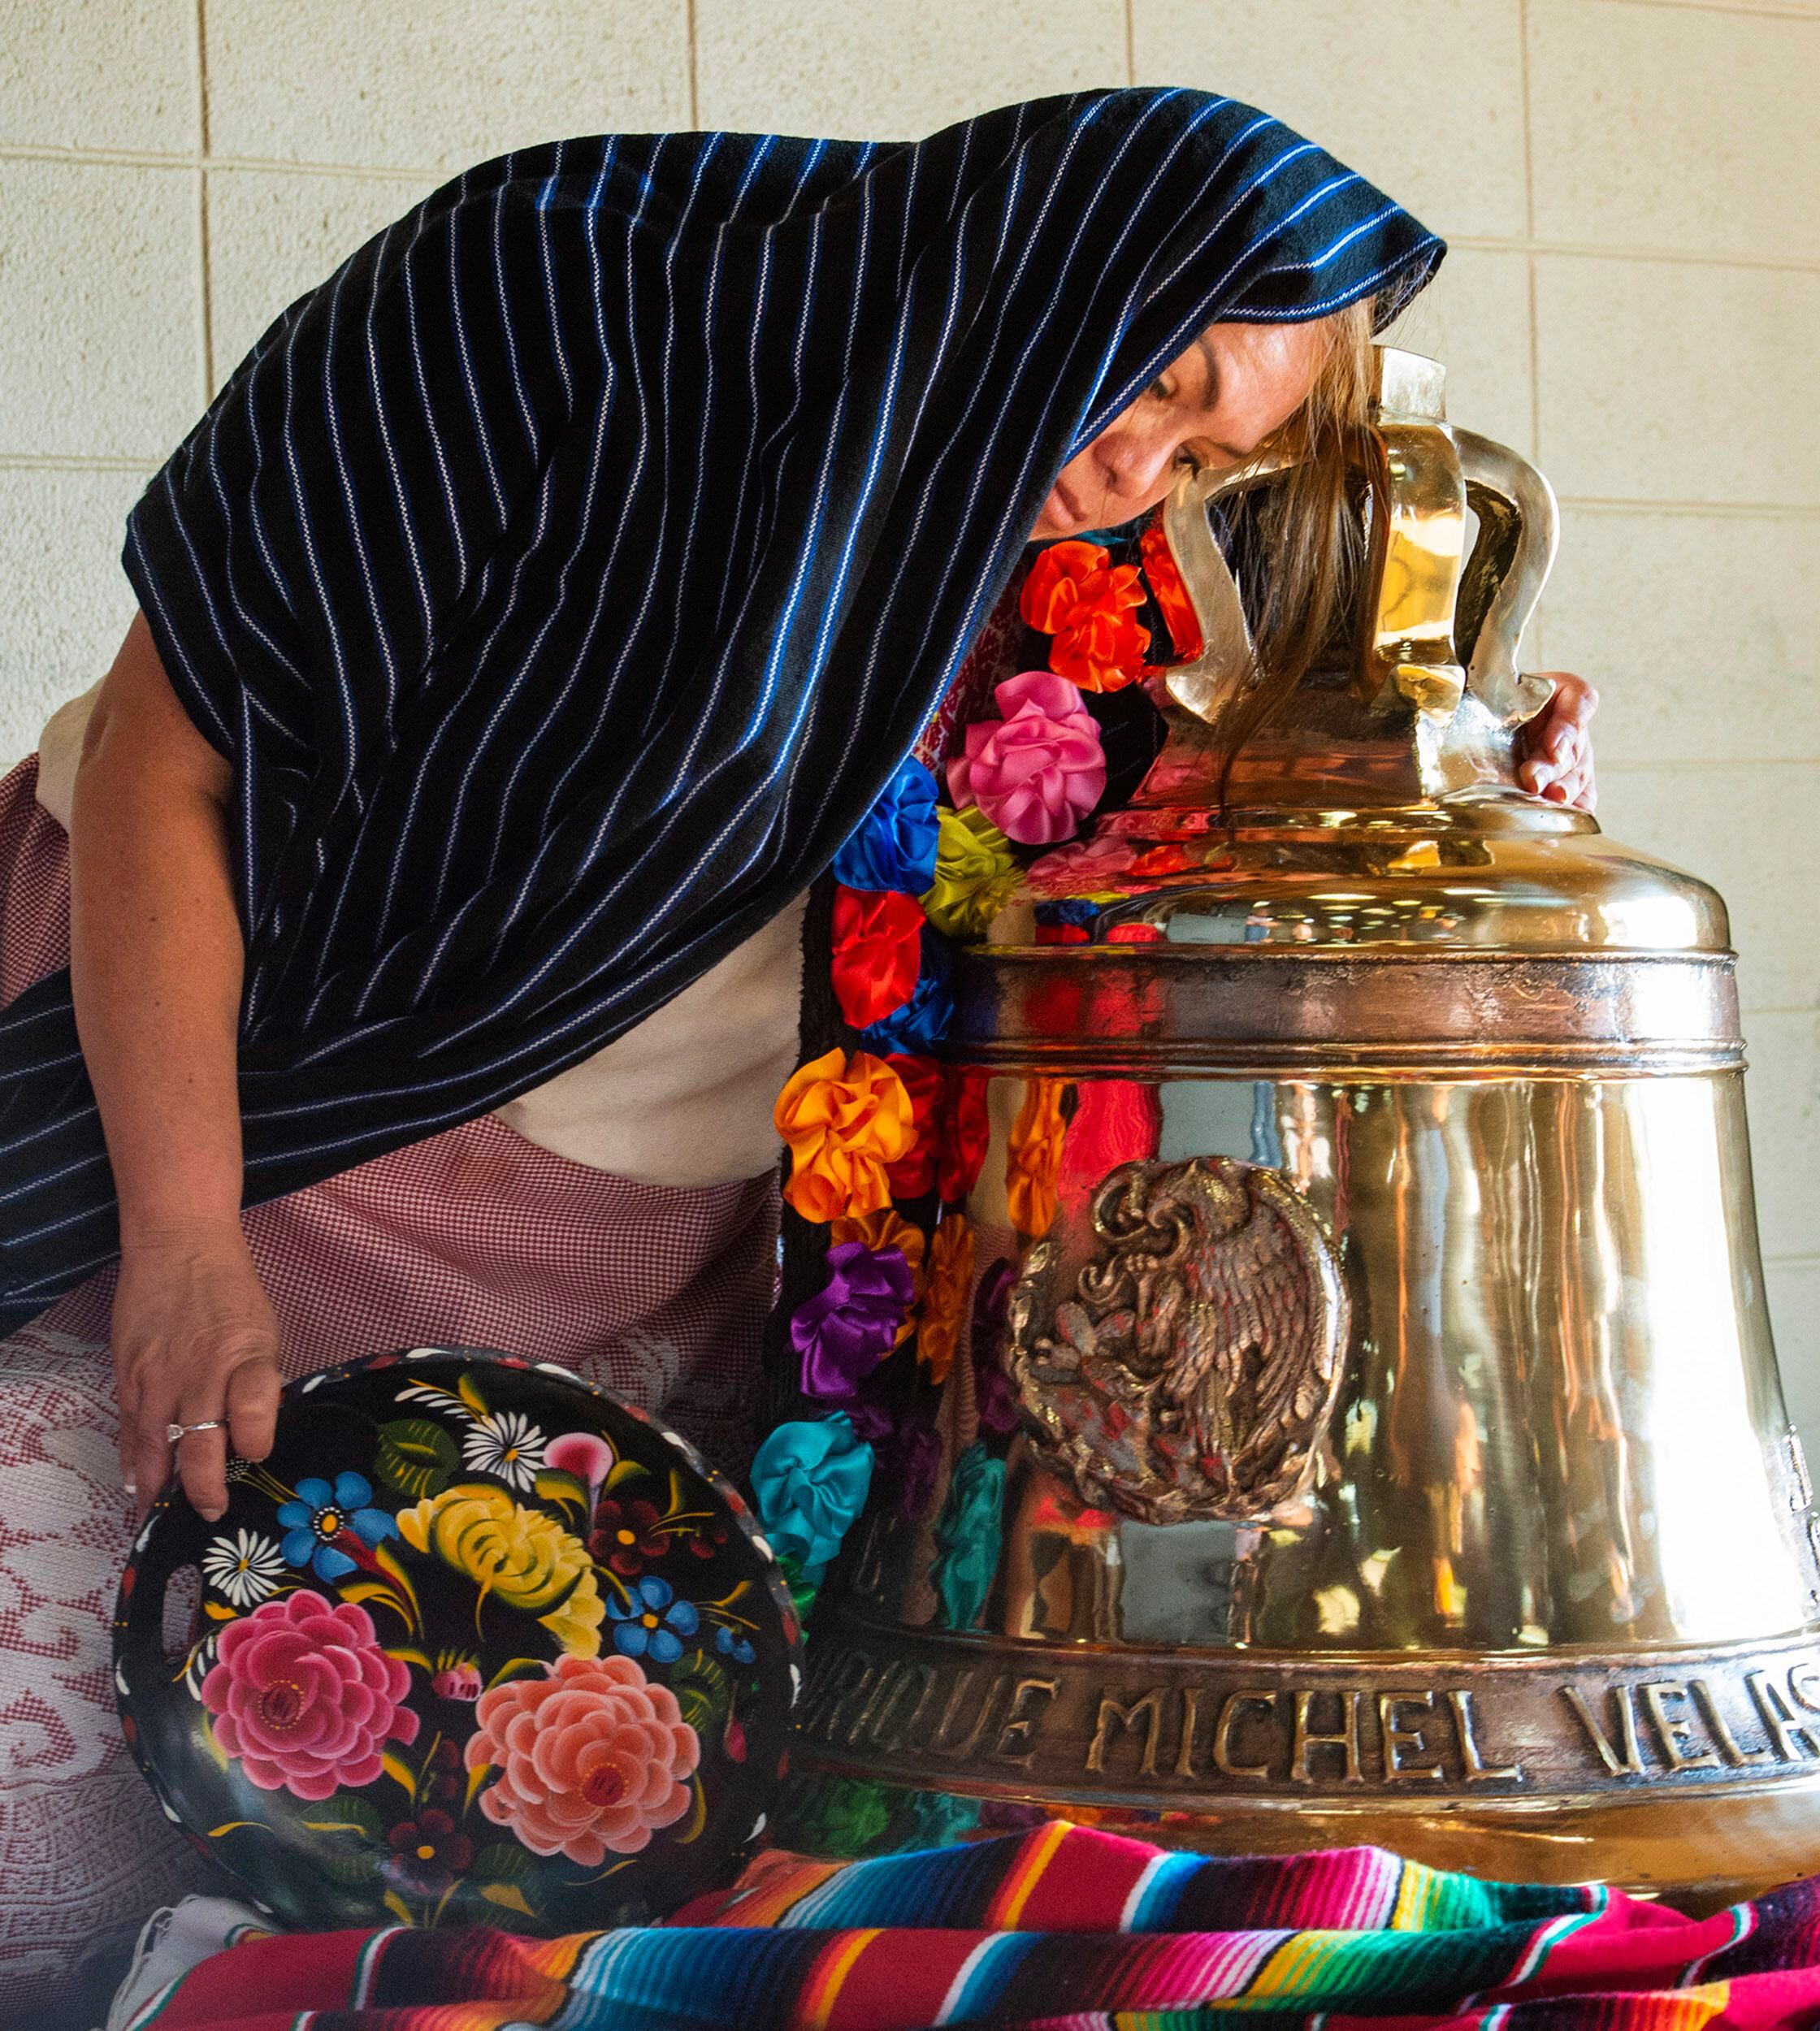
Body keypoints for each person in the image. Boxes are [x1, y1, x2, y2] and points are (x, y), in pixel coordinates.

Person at [0, 89, 1596, 2006]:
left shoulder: (1078, 587)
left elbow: (1186, 860)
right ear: (1036, 279)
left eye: (1202, 445)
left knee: (427, 1891)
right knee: (42, 1859)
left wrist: (1470, 790)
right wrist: (185, 1237)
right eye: (1147, 381)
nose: (1131, 470)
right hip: (175, 1127)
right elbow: (179, 762)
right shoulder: (550, 289)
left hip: (610, 1291)